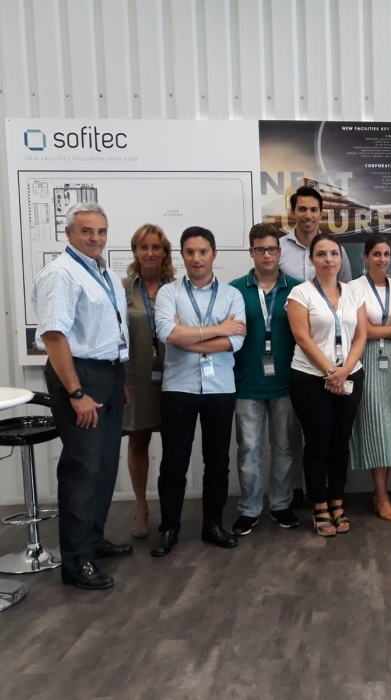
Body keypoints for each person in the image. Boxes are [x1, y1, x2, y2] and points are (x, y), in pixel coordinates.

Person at [33, 202, 131, 590]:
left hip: (108, 374)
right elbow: (54, 336)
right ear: (69, 233)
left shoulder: (102, 272)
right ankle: (76, 563)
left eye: (101, 231)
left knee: (104, 465)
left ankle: (92, 540)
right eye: (87, 231)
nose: (95, 238)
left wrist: (119, 381)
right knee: (83, 469)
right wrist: (75, 392)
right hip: (80, 376)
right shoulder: (62, 273)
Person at [151, 227, 247, 556]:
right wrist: (218, 329)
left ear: (214, 254)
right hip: (178, 386)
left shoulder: (232, 295)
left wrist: (188, 336)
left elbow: (234, 342)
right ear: (182, 255)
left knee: (217, 462)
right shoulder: (168, 293)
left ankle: (213, 525)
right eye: (190, 252)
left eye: (203, 252)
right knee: (174, 462)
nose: (196, 258)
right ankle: (169, 528)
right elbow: (167, 334)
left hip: (220, 387)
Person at [286, 233, 366, 536]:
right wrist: (331, 371)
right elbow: (302, 337)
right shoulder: (300, 293)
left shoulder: (354, 292)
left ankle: (337, 501)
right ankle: (319, 505)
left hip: (350, 374)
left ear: (341, 258)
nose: (329, 259)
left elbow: (361, 335)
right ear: (312, 260)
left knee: (340, 443)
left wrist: (344, 371)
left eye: (334, 253)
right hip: (310, 377)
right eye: (321, 254)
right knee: (317, 443)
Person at [229, 224, 301, 536]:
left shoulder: (297, 289)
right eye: (260, 249)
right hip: (247, 383)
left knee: (284, 448)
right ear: (251, 252)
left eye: (272, 249)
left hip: (286, 383)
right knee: (248, 450)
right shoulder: (234, 290)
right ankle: (249, 508)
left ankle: (282, 504)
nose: (267, 255)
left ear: (279, 252)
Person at [348, 234, 391, 520]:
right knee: (377, 424)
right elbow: (360, 331)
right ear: (365, 257)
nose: (382, 259)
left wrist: (382, 330)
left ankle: (381, 492)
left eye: (386, 254)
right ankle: (382, 494)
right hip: (366, 358)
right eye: (376, 254)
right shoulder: (354, 288)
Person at [122, 224, 175, 539]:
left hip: (175, 375)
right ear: (135, 251)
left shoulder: (177, 288)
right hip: (137, 376)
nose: (150, 253)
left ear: (165, 252)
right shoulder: (123, 289)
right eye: (144, 247)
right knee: (138, 441)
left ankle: (170, 508)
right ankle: (141, 506)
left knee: (174, 445)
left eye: (156, 247)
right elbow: (114, 335)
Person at [279, 186, 352, 283]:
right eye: (302, 209)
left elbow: (345, 288)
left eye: (314, 210)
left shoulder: (337, 251)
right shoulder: (278, 249)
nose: (308, 216)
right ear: (292, 213)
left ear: (321, 214)